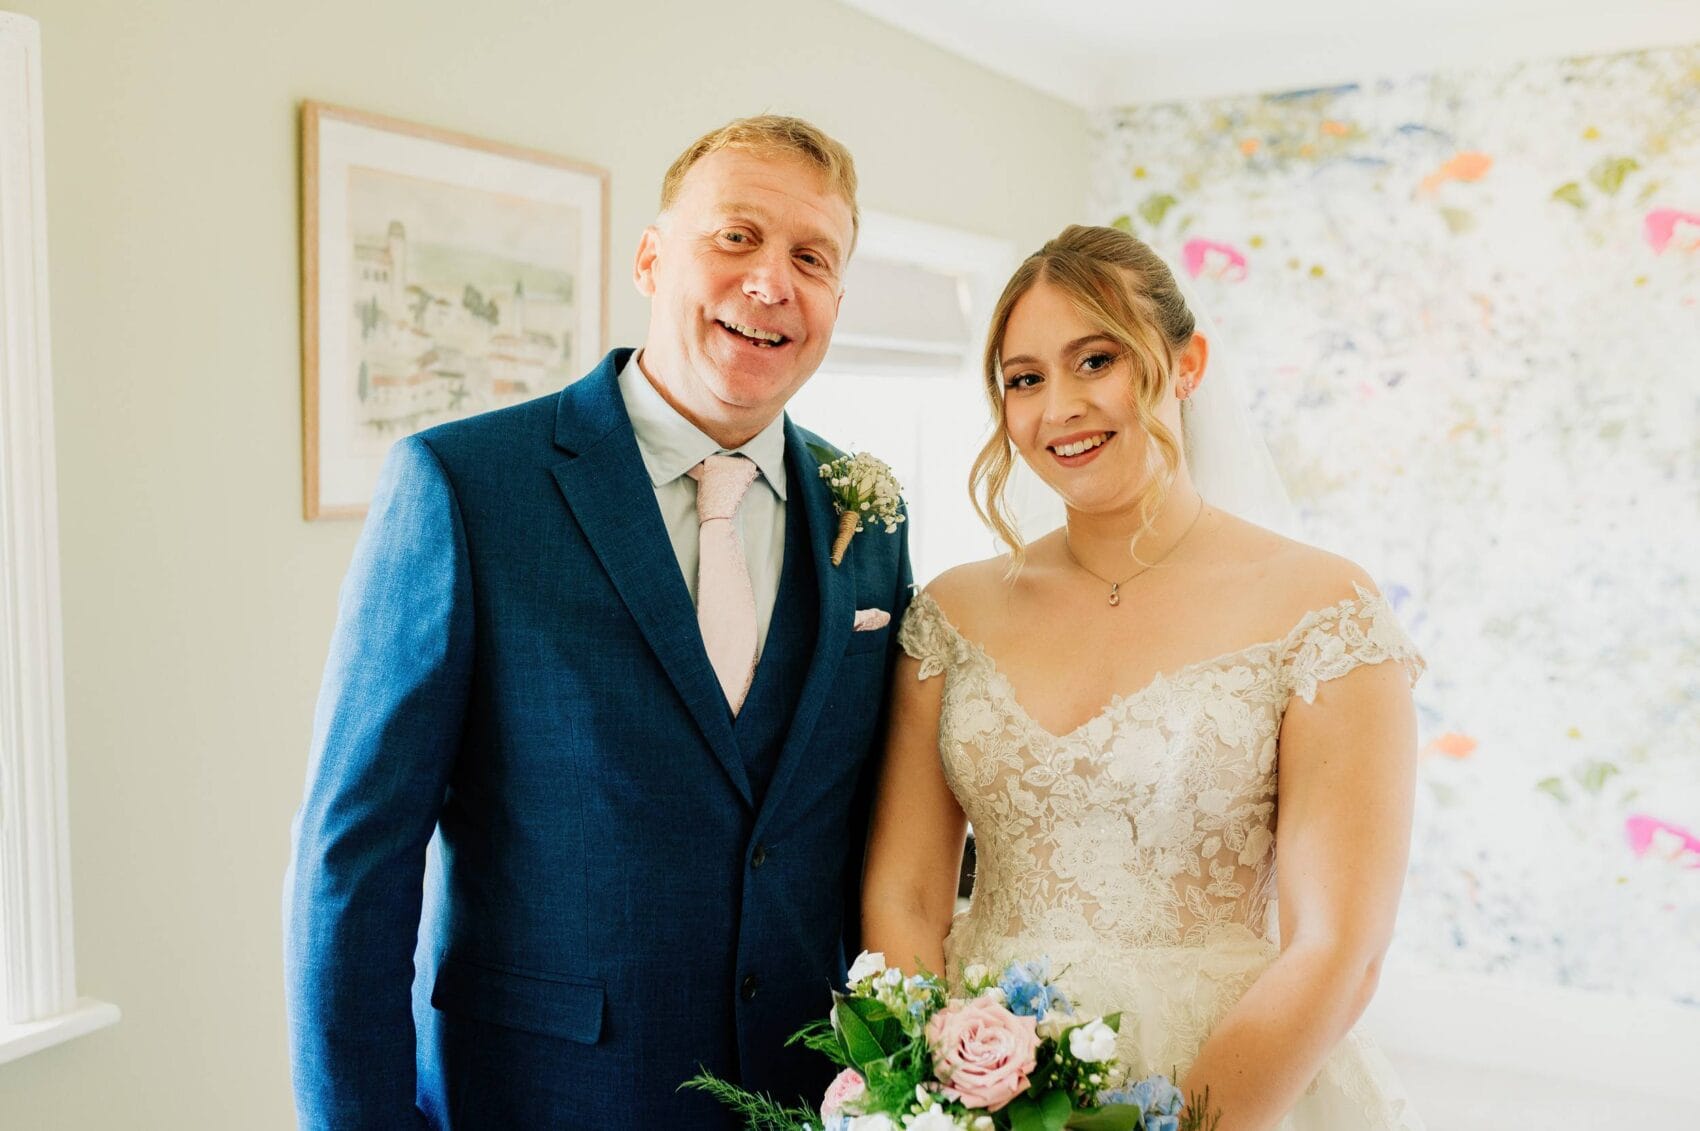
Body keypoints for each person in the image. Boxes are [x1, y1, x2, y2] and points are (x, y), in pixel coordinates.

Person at [284, 115, 913, 1130]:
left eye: (812, 257)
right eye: (736, 237)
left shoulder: (867, 510)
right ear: (651, 259)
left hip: (808, 1099)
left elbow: (874, 816)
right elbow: (352, 858)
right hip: (541, 1095)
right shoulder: (467, 486)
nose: (771, 281)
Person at [862, 224, 1425, 1130]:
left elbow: (1339, 949)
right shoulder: (954, 612)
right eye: (1025, 378)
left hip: (1231, 1085)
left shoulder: (1322, 608)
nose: (1060, 407)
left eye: (1097, 359)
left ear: (1187, 362)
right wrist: (938, 1093)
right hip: (979, 1088)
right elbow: (908, 894)